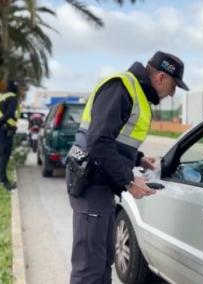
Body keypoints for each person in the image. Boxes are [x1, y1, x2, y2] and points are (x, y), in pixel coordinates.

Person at [67, 51, 189, 283]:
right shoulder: (122, 87)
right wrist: (130, 181)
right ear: (161, 77)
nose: (172, 94)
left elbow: (116, 139)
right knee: (89, 268)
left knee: (103, 261)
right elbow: (98, 141)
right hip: (91, 182)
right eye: (173, 87)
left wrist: (138, 159)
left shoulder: (136, 93)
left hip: (101, 184)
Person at [0, 81, 21, 191]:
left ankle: (0, 179)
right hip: (5, 130)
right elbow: (10, 113)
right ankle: (4, 181)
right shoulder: (12, 98)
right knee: (4, 155)